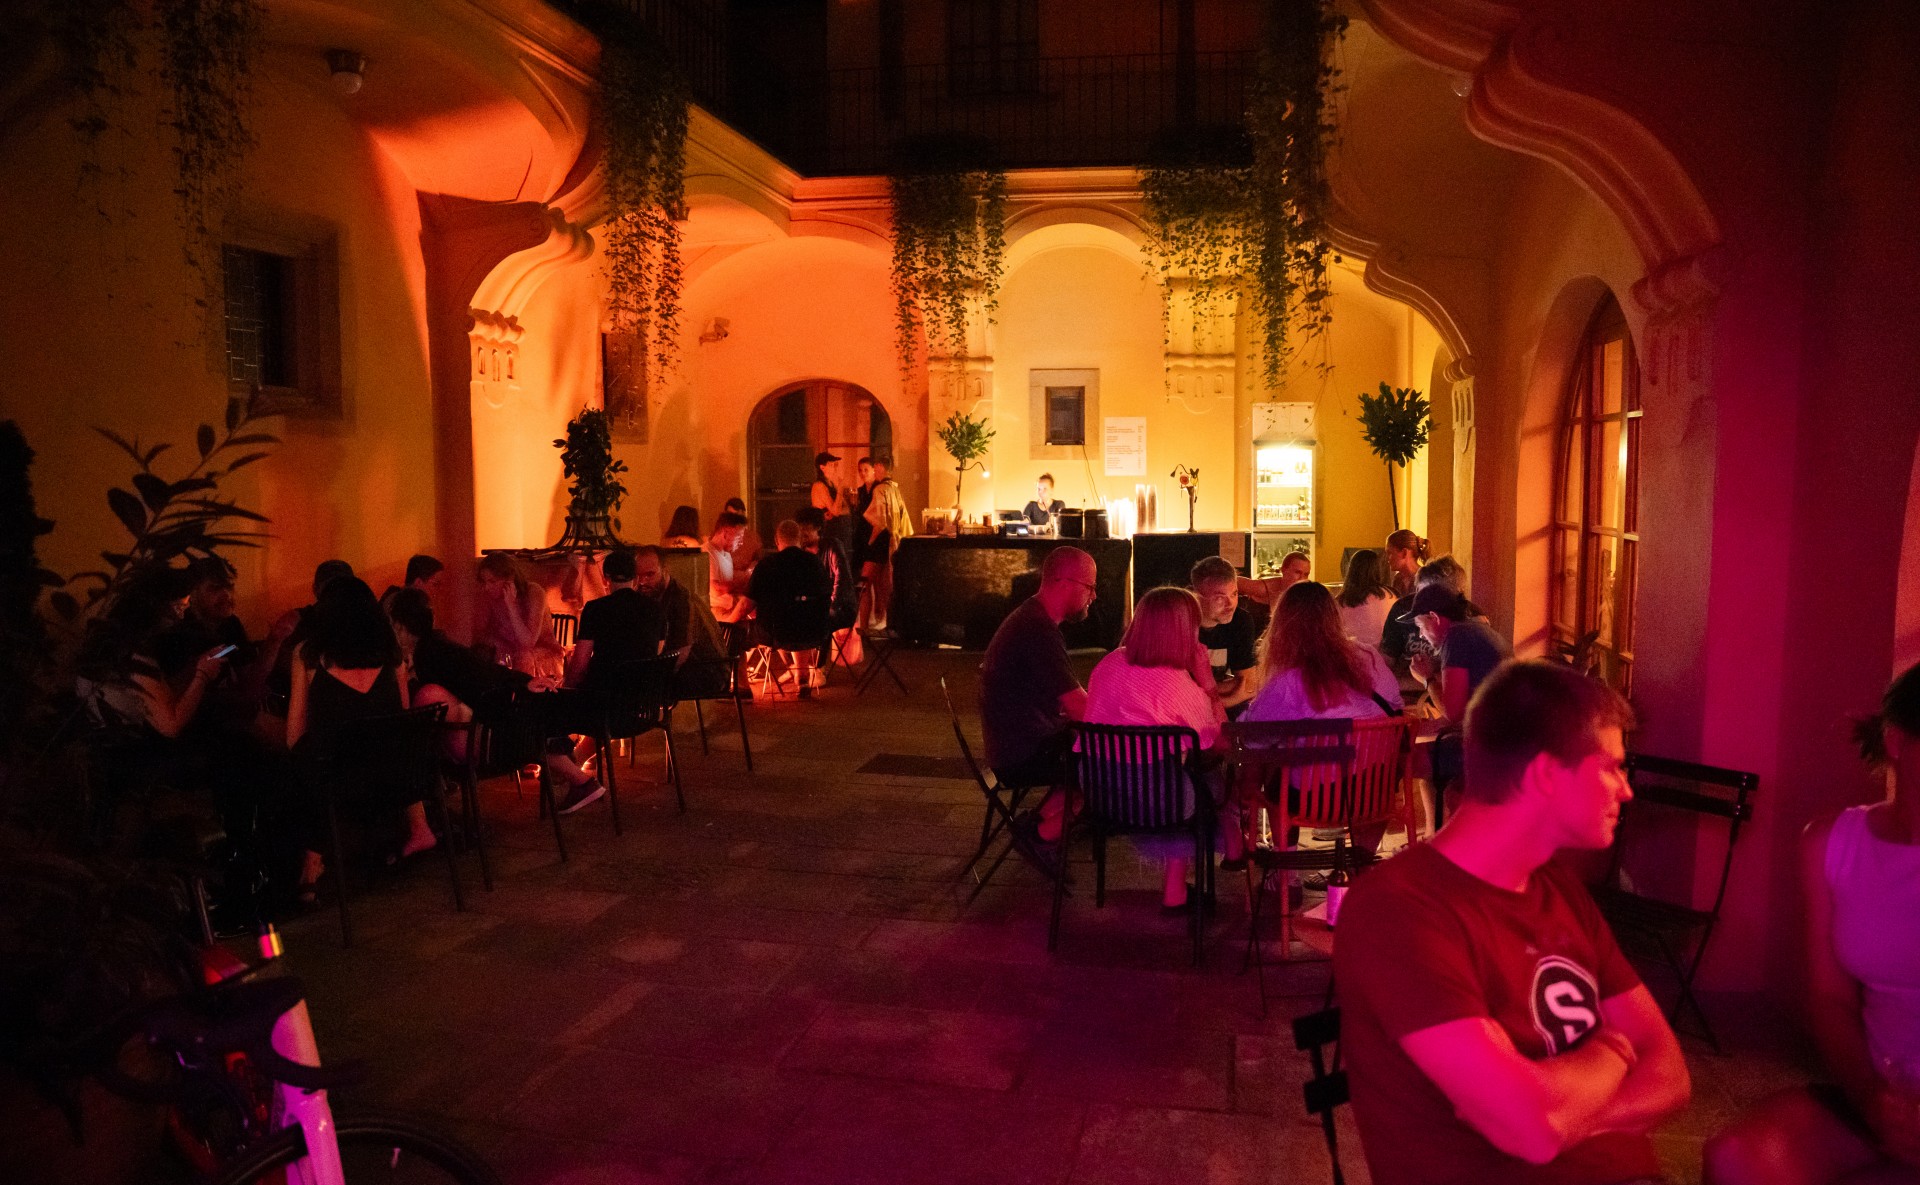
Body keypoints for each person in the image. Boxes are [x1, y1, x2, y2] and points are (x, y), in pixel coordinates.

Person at [1335, 660, 1690, 1184]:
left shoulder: (1556, 886)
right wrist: (1615, 1047)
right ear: (1547, 775)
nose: (1625, 789)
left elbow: (1672, 1076)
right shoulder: (1398, 910)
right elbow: (1534, 1127)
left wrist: (1568, 1119)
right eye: (1612, 766)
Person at [1704, 662, 1920, 1185]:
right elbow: (1831, 998)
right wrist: (1871, 1101)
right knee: (1735, 1158)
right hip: (1879, 1092)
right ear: (1897, 741)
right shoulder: (1831, 843)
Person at [1082, 586, 1239, 912]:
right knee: (1208, 776)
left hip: (1098, 793)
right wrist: (1208, 683)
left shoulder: (1109, 665)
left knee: (1179, 772)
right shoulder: (1179, 684)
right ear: (1185, 631)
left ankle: (1214, 862)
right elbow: (1221, 741)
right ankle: (1214, 863)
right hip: (1157, 801)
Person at [287, 578, 437, 900]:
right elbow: (401, 724)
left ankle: (311, 861)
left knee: (302, 759)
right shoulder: (392, 656)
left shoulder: (308, 656)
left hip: (338, 785)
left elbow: (294, 736)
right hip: (391, 780)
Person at [981, 547, 1097, 850]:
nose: (1094, 597)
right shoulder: (1038, 630)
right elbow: (1079, 708)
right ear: (1063, 581)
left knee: (1091, 750)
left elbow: (1066, 698)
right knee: (1111, 765)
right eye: (1090, 587)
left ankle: (1035, 822)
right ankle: (1040, 836)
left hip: (1009, 744)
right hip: (1018, 755)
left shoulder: (1031, 617)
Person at [1410, 583, 1513, 798]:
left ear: (1434, 617)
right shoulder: (1478, 631)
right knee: (1430, 770)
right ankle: (1433, 830)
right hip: (1505, 738)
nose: (1421, 635)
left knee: (1406, 760)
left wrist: (1426, 679)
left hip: (1490, 747)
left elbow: (1453, 712)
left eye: (1420, 626)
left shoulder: (1456, 638)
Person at [742, 520, 833, 699]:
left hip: (775, 632)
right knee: (799, 619)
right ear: (799, 539)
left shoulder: (767, 565)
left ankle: (741, 686)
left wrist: (729, 619)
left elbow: (747, 604)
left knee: (743, 631)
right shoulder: (814, 563)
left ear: (777, 541)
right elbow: (825, 595)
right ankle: (801, 676)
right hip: (813, 631)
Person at [631, 545, 731, 699]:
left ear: (665, 570)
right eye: (637, 576)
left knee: (635, 687)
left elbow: (680, 654)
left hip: (708, 672)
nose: (642, 582)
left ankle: (648, 722)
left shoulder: (682, 601)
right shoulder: (650, 596)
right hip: (685, 666)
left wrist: (648, 675)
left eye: (649, 575)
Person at [1190, 556, 1259, 715]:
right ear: (1196, 596)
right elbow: (1176, 691)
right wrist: (1230, 691)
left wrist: (1204, 692)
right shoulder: (1183, 621)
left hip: (1216, 706)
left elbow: (1249, 685)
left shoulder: (1241, 621)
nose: (1230, 605)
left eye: (1234, 594)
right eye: (1220, 598)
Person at [1381, 554, 1469, 679]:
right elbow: (1387, 663)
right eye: (1421, 592)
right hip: (1405, 690)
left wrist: (1428, 680)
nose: (1421, 599)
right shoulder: (1401, 609)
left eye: (1430, 593)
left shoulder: (1469, 620)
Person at [796, 507, 859, 674]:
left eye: (807, 528)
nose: (803, 533)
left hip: (841, 607)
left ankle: (817, 668)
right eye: (800, 528)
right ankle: (800, 666)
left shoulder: (831, 546)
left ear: (818, 527)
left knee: (819, 620)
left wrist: (830, 606)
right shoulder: (801, 553)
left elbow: (842, 579)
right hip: (815, 607)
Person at [475, 553, 560, 675]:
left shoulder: (534, 592)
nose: (487, 587)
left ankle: (521, 693)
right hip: (510, 651)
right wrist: (497, 644)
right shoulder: (491, 597)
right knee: (481, 654)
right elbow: (483, 634)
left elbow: (527, 643)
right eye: (484, 582)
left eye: (492, 581)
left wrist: (512, 606)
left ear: (509, 579)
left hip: (542, 652)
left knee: (522, 657)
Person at [861, 455, 912, 632]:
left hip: (881, 539)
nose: (874, 471)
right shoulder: (895, 489)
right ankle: (890, 623)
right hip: (893, 539)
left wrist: (871, 541)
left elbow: (879, 520)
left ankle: (865, 627)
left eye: (875, 467)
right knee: (885, 584)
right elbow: (904, 517)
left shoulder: (880, 489)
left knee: (865, 581)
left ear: (881, 467)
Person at [1336, 548, 1396, 644]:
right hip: (1384, 656)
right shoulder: (1391, 595)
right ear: (1377, 569)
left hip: (1351, 655)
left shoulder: (1340, 601)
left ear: (1351, 570)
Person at [707, 509, 754, 624]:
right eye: (738, 537)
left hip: (731, 610)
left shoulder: (726, 555)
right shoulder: (707, 554)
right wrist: (743, 579)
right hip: (718, 615)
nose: (741, 542)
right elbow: (716, 589)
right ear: (725, 533)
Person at [1239, 549, 1311, 605]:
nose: (1302, 578)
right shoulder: (1263, 588)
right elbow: (1232, 581)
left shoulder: (1306, 594)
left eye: (1306, 574)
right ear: (1283, 570)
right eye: (1297, 572)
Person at [1384, 529, 1427, 598]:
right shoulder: (1398, 579)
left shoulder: (1425, 579)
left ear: (1404, 553)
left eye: (1390, 553)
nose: (1387, 558)